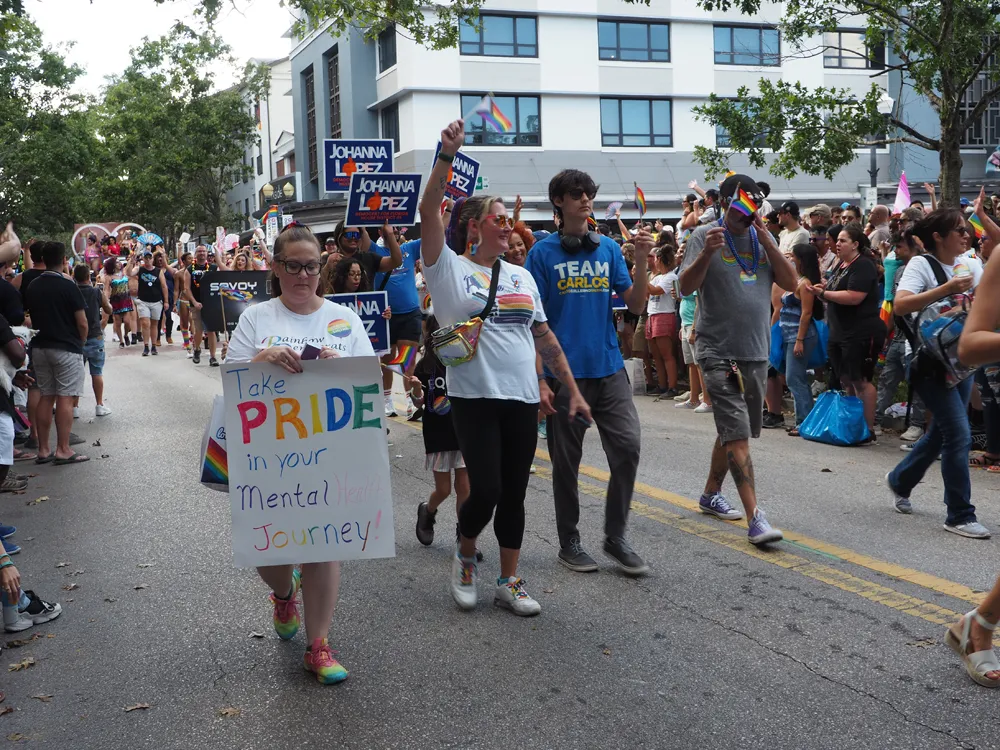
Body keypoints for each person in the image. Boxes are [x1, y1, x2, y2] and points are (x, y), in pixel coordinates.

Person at [420, 119, 592, 615]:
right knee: (488, 489)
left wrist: (570, 388)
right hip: (473, 396)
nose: (506, 224)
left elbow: (543, 335)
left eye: (506, 219)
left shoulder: (520, 275)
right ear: (474, 227)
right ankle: (466, 553)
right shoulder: (448, 267)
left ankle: (509, 580)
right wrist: (447, 156)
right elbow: (429, 209)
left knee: (514, 492)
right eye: (496, 218)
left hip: (521, 396)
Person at [225, 223, 375, 685]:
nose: (303, 275)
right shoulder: (256, 318)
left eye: (311, 266)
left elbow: (370, 382)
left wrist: (342, 369)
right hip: (269, 460)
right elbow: (231, 380)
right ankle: (284, 592)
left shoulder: (343, 319)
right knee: (270, 548)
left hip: (328, 455)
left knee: (324, 545)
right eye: (293, 266)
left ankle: (319, 645)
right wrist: (262, 360)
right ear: (276, 268)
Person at [526, 167, 650, 575]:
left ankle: (615, 536)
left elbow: (635, 305)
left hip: (609, 369)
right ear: (559, 201)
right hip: (564, 376)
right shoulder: (541, 254)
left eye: (589, 193)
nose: (585, 199)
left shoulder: (609, 249)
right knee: (566, 464)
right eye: (577, 193)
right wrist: (540, 379)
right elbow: (533, 322)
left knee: (628, 448)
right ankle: (570, 541)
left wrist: (642, 260)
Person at [679, 174, 798, 545]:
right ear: (724, 203)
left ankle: (710, 493)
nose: (747, 213)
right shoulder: (704, 235)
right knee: (738, 431)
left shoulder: (763, 238)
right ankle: (756, 518)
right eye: (741, 205)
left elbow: (792, 283)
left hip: (755, 352)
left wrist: (768, 242)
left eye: (754, 206)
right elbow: (684, 287)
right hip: (719, 352)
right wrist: (706, 253)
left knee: (733, 430)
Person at [887, 205, 988, 538]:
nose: (966, 235)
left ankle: (900, 479)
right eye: (959, 229)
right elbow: (900, 305)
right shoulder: (921, 264)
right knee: (958, 434)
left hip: (961, 361)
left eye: (967, 229)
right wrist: (948, 289)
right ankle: (959, 514)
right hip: (928, 362)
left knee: (942, 433)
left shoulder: (971, 262)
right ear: (938, 236)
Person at [806, 224, 885, 439]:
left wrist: (824, 294)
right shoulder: (842, 264)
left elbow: (854, 296)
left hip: (860, 331)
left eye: (843, 240)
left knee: (861, 380)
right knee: (846, 380)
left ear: (855, 244)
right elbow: (835, 289)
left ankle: (868, 429)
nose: (837, 244)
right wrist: (823, 288)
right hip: (839, 331)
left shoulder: (863, 265)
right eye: (837, 240)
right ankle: (853, 426)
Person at [408, 314, 473, 555]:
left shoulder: (464, 360)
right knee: (444, 489)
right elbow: (419, 404)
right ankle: (427, 511)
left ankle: (464, 537)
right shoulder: (425, 366)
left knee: (464, 486)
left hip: (464, 431)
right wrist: (417, 390)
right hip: (438, 434)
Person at [22, 241, 88, 465]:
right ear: (63, 260)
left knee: (46, 395)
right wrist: (81, 341)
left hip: (40, 347)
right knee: (65, 397)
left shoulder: (33, 286)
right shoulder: (68, 285)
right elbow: (82, 322)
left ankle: (43, 449)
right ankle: (63, 449)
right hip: (65, 347)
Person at [873, 231, 926, 440]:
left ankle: (917, 424)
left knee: (919, 383)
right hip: (899, 334)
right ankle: (875, 420)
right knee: (887, 377)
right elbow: (895, 305)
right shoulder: (900, 271)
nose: (895, 250)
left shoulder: (925, 269)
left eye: (900, 246)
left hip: (918, 336)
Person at [372, 225, 417, 418]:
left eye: (397, 227)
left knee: (408, 360)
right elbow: (360, 232)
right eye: (389, 228)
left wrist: (446, 210)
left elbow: (435, 233)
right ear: (380, 232)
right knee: (387, 361)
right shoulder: (374, 250)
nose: (394, 230)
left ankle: (410, 400)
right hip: (384, 315)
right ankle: (387, 400)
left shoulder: (410, 248)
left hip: (409, 314)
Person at [777, 244, 823, 433]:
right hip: (789, 334)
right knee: (795, 377)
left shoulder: (805, 284)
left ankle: (804, 422)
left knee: (795, 378)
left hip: (799, 335)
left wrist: (799, 340)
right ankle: (801, 420)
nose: (791, 259)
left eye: (793, 256)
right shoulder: (797, 280)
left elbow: (806, 313)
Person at [73, 265, 112, 417]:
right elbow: (108, 309)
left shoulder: (71, 292)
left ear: (74, 277)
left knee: (76, 374)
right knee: (97, 372)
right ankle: (99, 405)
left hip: (77, 338)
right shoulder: (96, 292)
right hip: (95, 336)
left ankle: (75, 407)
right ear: (88, 277)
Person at [645, 245, 680, 398]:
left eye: (655, 259)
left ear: (659, 259)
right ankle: (662, 385)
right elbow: (647, 295)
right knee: (656, 355)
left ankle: (672, 387)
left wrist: (641, 277)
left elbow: (655, 291)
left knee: (667, 354)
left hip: (664, 315)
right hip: (652, 315)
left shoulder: (671, 277)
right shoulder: (657, 277)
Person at [183, 245, 219, 366]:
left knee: (211, 330)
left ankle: (213, 357)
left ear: (207, 253)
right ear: (196, 254)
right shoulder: (189, 269)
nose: (202, 253)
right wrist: (194, 302)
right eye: (199, 251)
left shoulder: (213, 268)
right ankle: (197, 349)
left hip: (211, 304)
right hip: (196, 303)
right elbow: (186, 288)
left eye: (204, 251)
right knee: (198, 330)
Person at [128, 250, 168, 357]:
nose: (148, 260)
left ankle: (153, 346)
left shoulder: (158, 271)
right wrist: (131, 262)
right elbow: (129, 273)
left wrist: (166, 301)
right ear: (143, 259)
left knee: (154, 324)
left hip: (156, 301)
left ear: (152, 259)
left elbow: (164, 286)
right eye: (146, 258)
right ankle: (146, 346)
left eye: (150, 258)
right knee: (145, 323)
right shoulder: (139, 269)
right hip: (143, 301)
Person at [103, 257, 133, 349]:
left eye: (119, 262)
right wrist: (106, 300)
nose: (119, 264)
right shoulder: (109, 277)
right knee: (118, 322)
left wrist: (133, 257)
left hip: (126, 300)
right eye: (116, 262)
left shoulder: (124, 272)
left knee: (127, 322)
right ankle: (121, 341)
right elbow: (107, 290)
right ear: (112, 265)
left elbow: (130, 264)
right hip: (116, 301)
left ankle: (126, 335)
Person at [153, 250, 176, 346]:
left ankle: (168, 335)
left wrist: (165, 263)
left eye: (161, 257)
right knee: (158, 318)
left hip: (169, 296)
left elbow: (174, 274)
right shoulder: (154, 270)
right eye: (158, 258)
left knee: (169, 317)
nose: (160, 260)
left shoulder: (169, 269)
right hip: (157, 296)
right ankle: (157, 338)